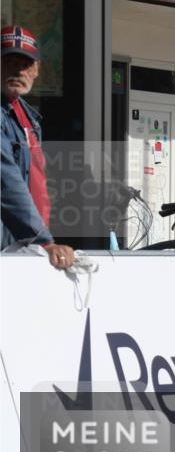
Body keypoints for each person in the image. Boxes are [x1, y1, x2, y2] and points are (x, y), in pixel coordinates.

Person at [1, 25, 76, 269]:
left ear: (37, 69)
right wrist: (43, 240)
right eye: (10, 61)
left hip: (23, 245)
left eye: (25, 64)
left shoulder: (29, 119)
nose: (18, 71)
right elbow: (7, 183)